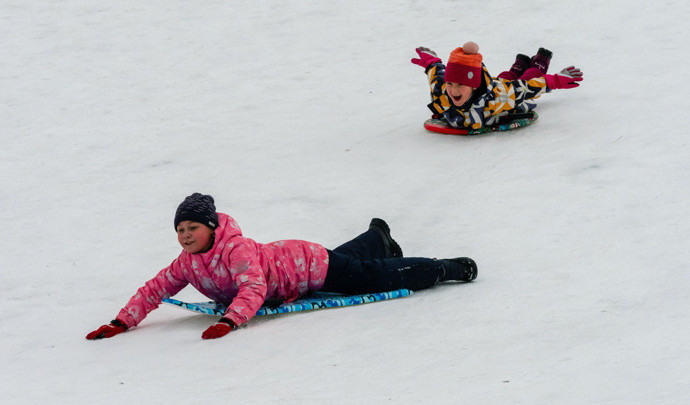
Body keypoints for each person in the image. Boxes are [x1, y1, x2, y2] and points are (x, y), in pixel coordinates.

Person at [86, 193, 478, 340]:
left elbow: (253, 289)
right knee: (353, 259)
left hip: (311, 268)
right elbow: (154, 289)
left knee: (370, 279)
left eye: (193, 228)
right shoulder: (186, 264)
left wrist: (230, 320)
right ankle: (378, 236)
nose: (186, 236)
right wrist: (122, 321)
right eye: (180, 230)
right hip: (297, 258)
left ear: (211, 228)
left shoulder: (235, 250)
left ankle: (447, 268)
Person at [411, 41, 583, 130]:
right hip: (497, 83)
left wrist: (556, 80)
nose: (453, 90)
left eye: (460, 85)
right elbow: (437, 74)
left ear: (473, 85)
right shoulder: (442, 91)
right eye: (450, 83)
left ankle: (541, 59)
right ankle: (519, 63)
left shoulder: (497, 98)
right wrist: (430, 61)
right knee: (504, 78)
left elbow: (526, 88)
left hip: (505, 96)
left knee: (524, 79)